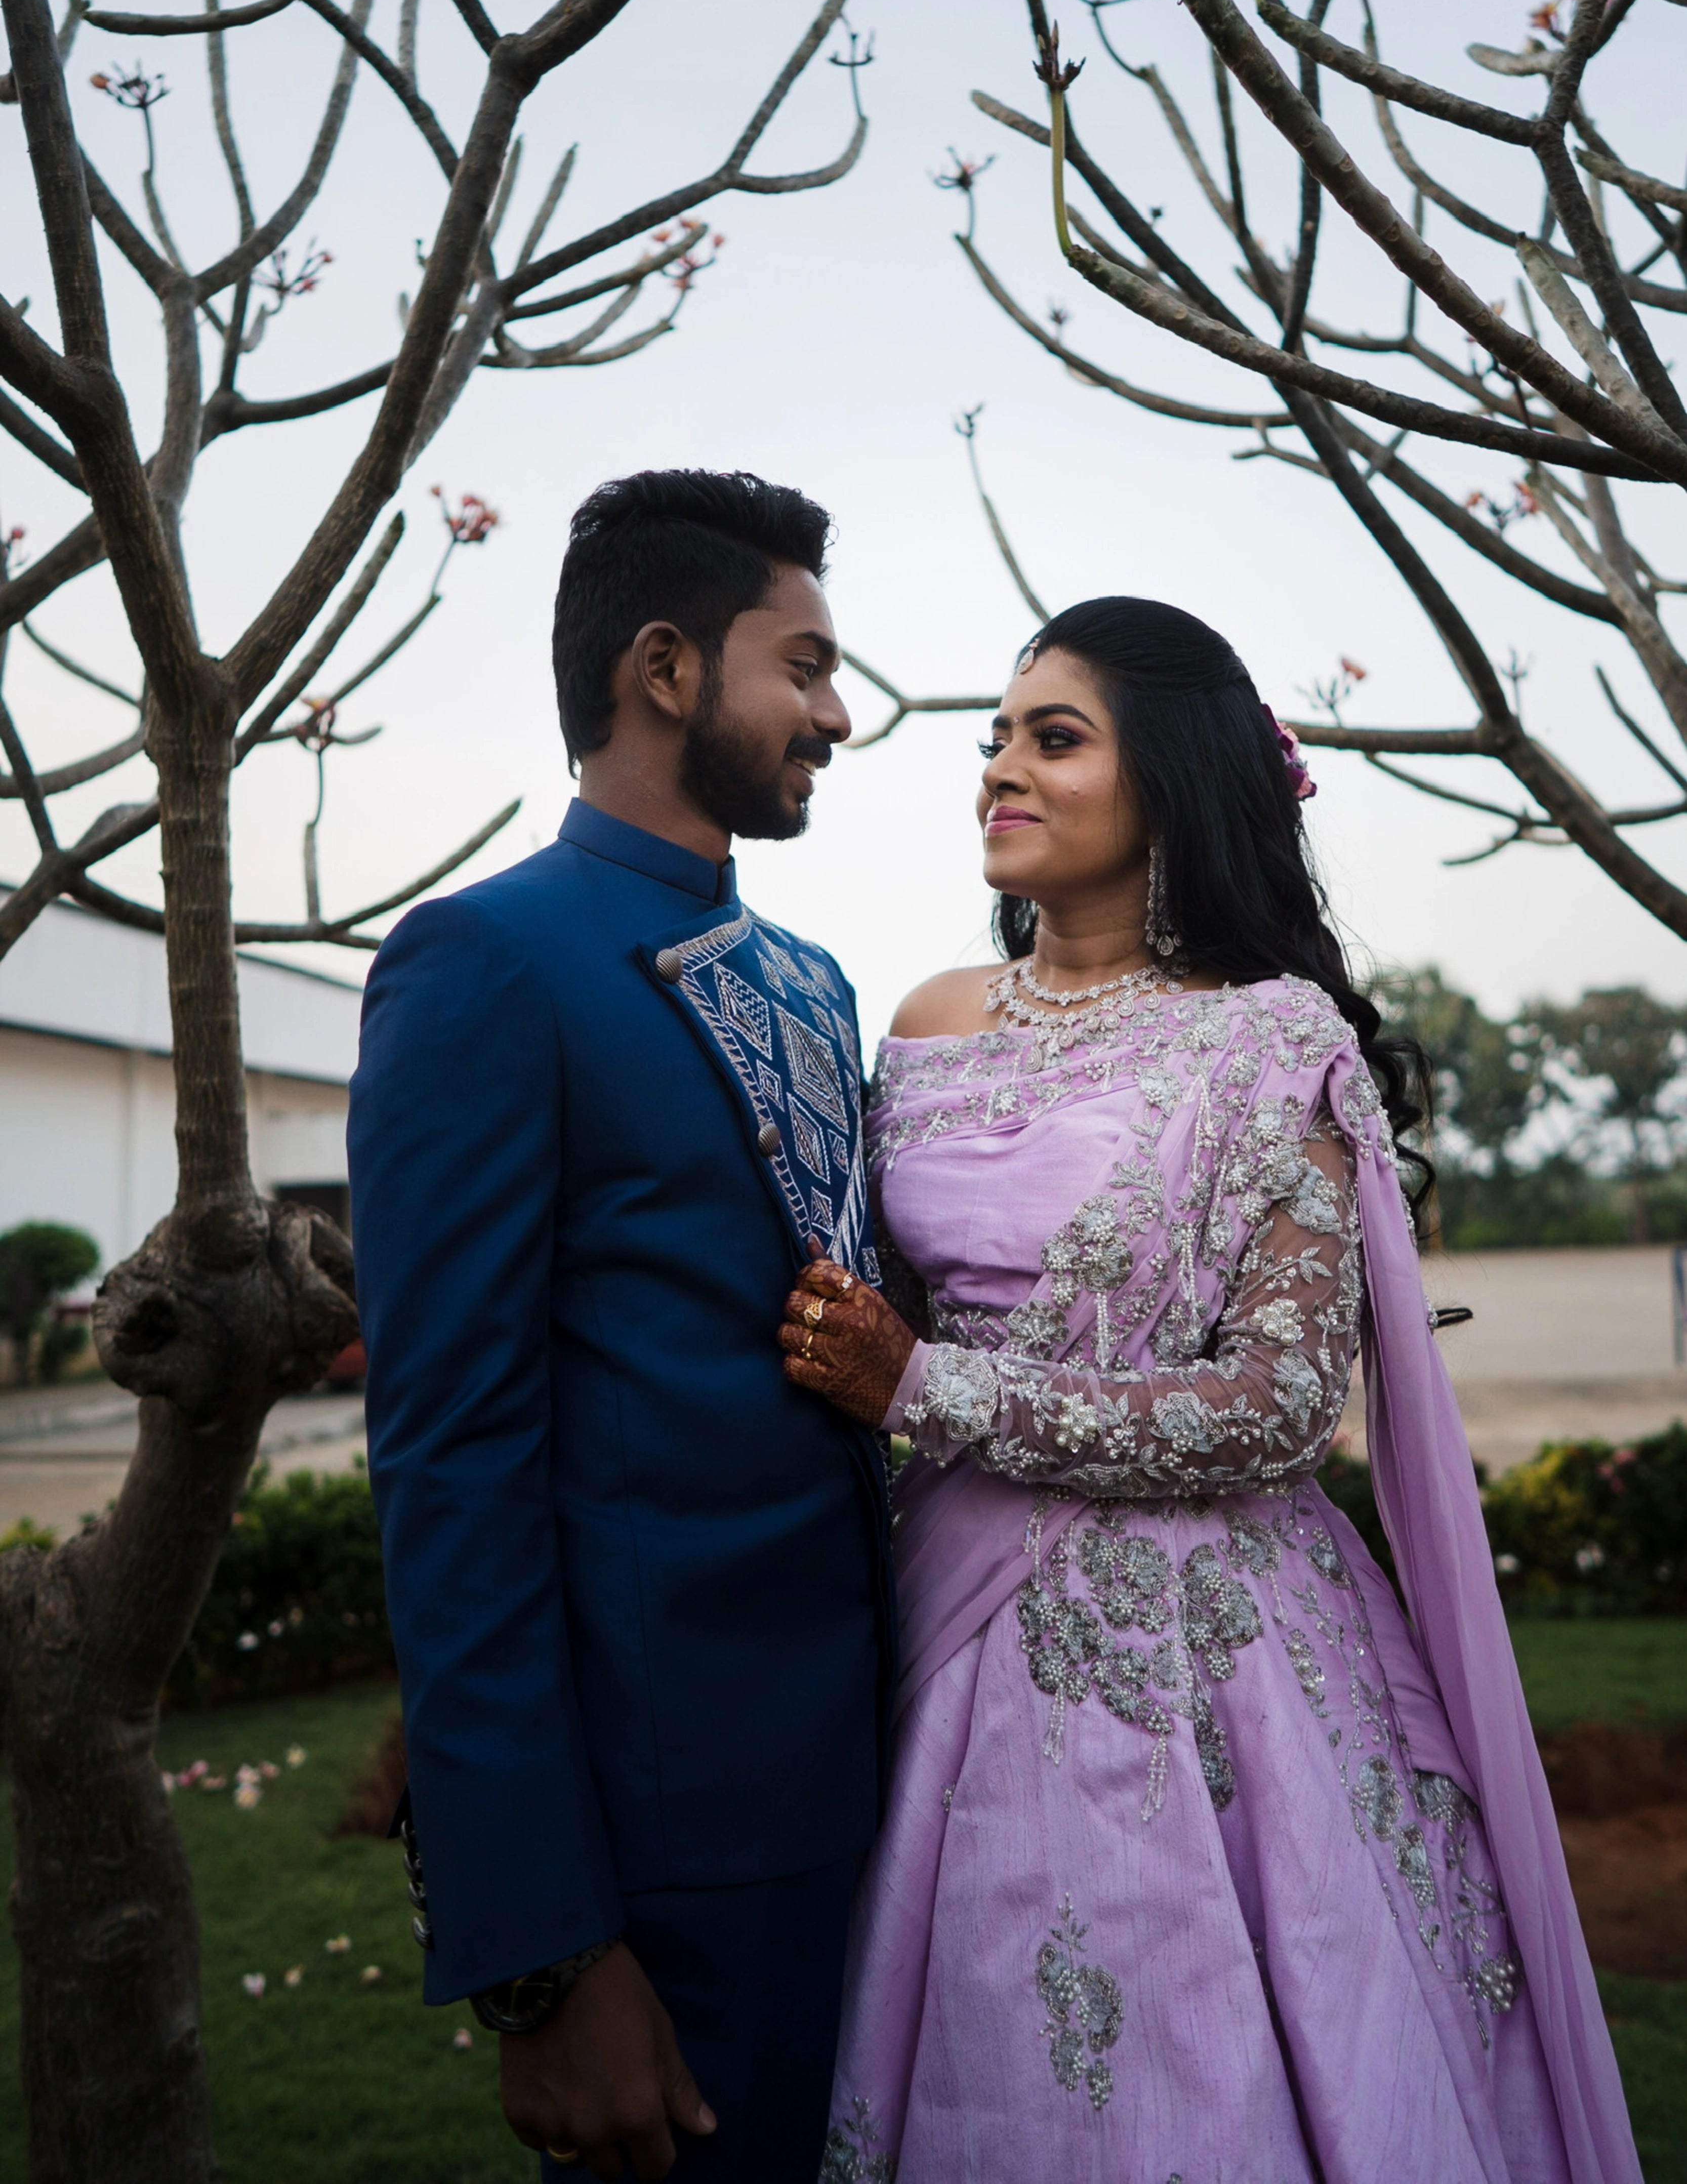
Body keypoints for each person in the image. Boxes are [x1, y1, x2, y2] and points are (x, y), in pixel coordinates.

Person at [777, 598, 1640, 2184]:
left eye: (1054, 738)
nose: (1000, 773)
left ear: (1168, 780)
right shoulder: (921, 1032)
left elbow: (1279, 1402)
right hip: (944, 1645)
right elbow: (872, 1328)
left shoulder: (1271, 1040)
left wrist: (929, 1390)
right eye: (995, 738)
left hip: (1207, 1672)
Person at [348, 469, 892, 2183]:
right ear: (666, 670)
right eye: (802, 668)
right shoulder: (486, 963)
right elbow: (450, 1464)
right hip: (671, 1859)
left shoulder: (813, 981)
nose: (838, 714)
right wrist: (546, 1953)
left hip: (892, 1794)